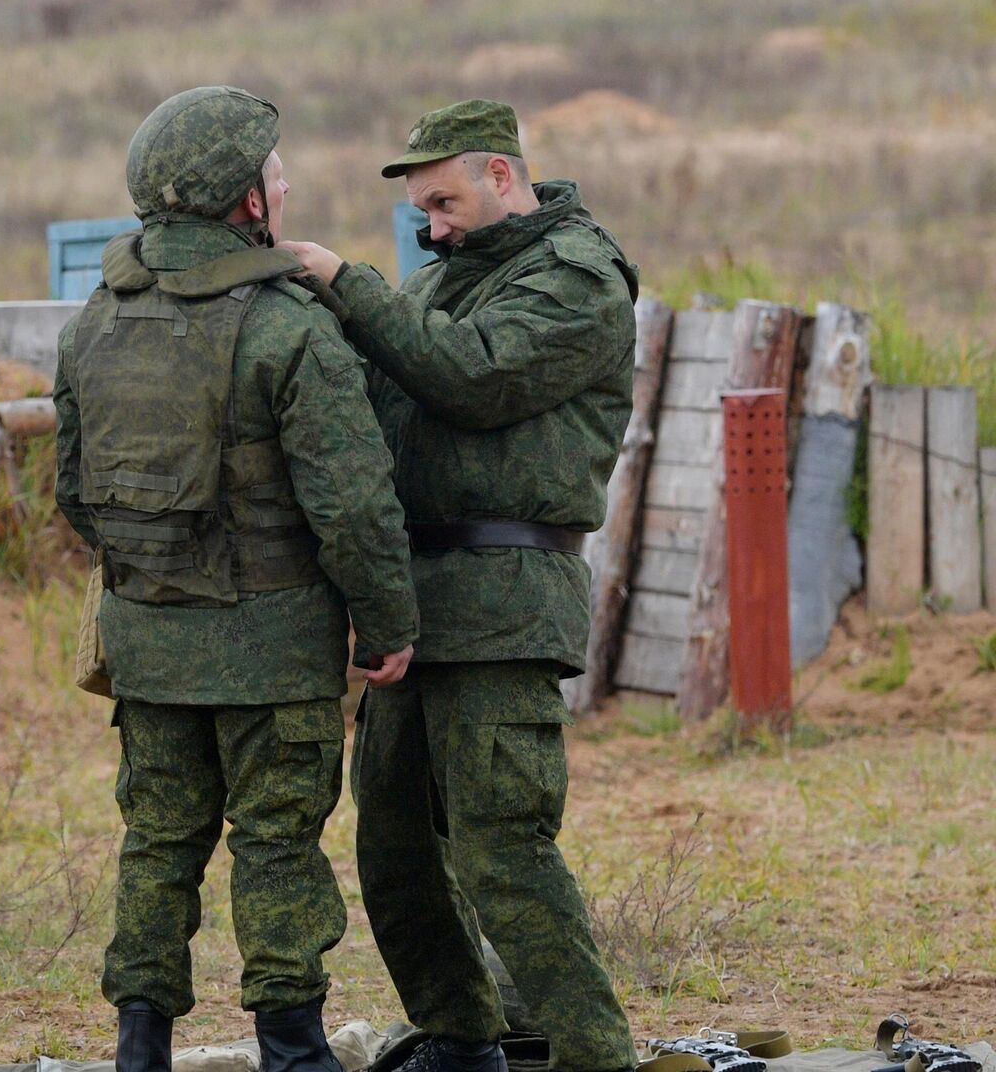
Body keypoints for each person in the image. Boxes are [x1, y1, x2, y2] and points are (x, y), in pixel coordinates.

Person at [52, 86, 419, 1072]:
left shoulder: (95, 321)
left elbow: (74, 491)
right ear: (245, 204)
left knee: (157, 844)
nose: (286, 182)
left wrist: (155, 576)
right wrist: (386, 624)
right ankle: (294, 1054)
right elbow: (352, 502)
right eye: (274, 172)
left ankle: (140, 1048)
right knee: (277, 844)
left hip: (150, 646)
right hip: (276, 651)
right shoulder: (289, 327)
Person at [279, 98, 639, 1072]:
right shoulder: (442, 282)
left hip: (505, 597)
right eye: (420, 211)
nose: (430, 225)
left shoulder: (577, 279)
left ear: (500, 175)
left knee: (502, 850)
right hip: (414, 600)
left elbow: (472, 377)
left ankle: (595, 1056)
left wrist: (345, 283)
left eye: (443, 200)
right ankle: (460, 1035)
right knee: (394, 851)